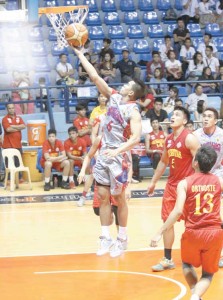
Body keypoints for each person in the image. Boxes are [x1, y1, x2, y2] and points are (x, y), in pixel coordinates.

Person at [72, 45, 146, 258]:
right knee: (103, 196)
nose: (123, 84)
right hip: (104, 154)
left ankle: (122, 238)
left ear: (131, 93)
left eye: (127, 84)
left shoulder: (133, 111)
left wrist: (119, 151)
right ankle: (105, 237)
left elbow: (135, 138)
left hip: (118, 157)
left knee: (119, 198)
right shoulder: (113, 96)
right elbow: (94, 76)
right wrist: (80, 55)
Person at [150, 145, 223, 300]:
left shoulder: (185, 183)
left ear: (195, 162)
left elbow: (177, 211)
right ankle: (196, 296)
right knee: (208, 274)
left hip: (193, 232)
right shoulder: (219, 181)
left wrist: (160, 232)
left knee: (187, 265)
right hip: (214, 233)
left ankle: (194, 293)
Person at [147, 106, 200, 272]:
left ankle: (197, 255)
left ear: (184, 120)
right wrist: (154, 181)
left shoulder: (190, 138)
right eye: (172, 114)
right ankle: (168, 259)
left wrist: (198, 184)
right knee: (167, 221)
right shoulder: (168, 139)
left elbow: (199, 162)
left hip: (188, 186)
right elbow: (163, 162)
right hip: (171, 186)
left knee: (192, 224)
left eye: (177, 115)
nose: (172, 116)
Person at [193, 107, 223, 268]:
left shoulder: (221, 135)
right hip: (201, 175)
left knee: (215, 214)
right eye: (204, 116)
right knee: (201, 213)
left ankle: (219, 251)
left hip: (218, 174)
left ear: (215, 121)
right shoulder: (196, 135)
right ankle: (202, 248)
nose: (205, 118)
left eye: (209, 116)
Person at [2, 103, 26, 181]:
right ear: (7, 109)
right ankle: (8, 180)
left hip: (18, 145)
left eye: (12, 108)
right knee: (8, 164)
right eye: (9, 108)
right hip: (7, 145)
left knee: (18, 163)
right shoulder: (5, 119)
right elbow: (8, 129)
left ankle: (19, 179)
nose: (11, 109)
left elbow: (24, 126)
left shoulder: (19, 118)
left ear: (14, 108)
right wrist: (18, 128)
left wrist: (13, 126)